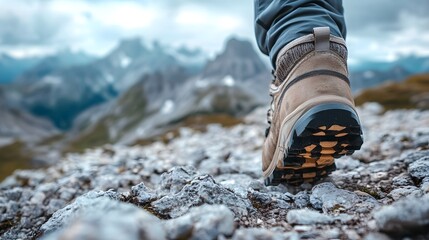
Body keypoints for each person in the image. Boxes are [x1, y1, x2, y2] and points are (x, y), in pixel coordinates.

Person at [254, 0, 363, 185]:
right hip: (335, 48)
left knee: (296, 22)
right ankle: (327, 56)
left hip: (292, 47)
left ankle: (295, 41)